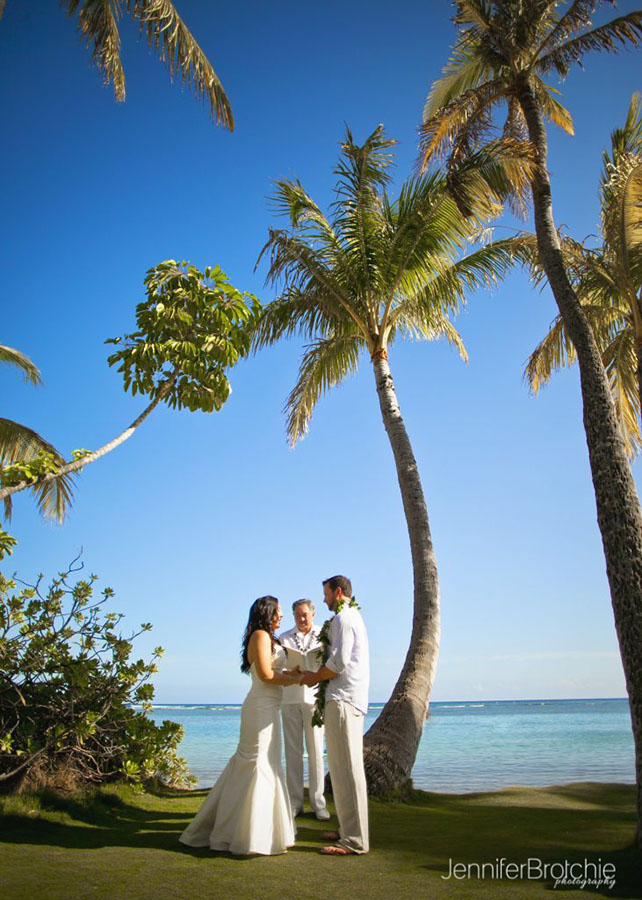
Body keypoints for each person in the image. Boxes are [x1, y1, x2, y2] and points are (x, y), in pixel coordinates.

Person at [179, 596, 299, 855]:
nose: (281, 617)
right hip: (260, 708)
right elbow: (266, 676)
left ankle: (263, 831)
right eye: (278, 612)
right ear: (267, 613)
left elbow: (272, 671)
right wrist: (293, 680)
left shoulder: (268, 638)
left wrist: (295, 674)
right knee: (255, 763)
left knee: (268, 763)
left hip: (270, 708)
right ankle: (242, 833)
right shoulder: (260, 636)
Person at [300, 575, 370, 856]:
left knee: (348, 771)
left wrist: (313, 677)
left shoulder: (344, 619)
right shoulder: (349, 618)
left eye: (327, 594)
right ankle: (347, 830)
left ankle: (355, 840)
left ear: (338, 592)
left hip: (343, 700)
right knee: (341, 771)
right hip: (342, 699)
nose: (324, 600)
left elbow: (338, 663)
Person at [279, 599, 330, 820]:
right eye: (297, 615)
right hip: (290, 698)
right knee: (293, 753)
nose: (301, 619)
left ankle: (318, 803)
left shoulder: (324, 636)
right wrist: (291, 670)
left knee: (317, 752)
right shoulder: (284, 638)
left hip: (315, 698)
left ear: (313, 614)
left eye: (305, 614)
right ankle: (294, 802)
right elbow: (278, 666)